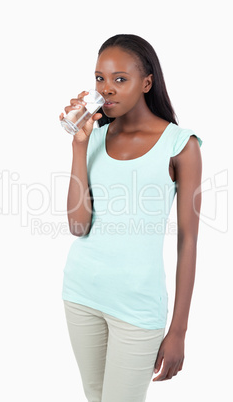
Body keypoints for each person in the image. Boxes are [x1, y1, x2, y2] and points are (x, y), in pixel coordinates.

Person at [59, 34, 202, 402]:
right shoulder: (93, 138)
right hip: (81, 296)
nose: (107, 90)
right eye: (100, 79)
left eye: (120, 79)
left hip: (137, 309)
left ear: (146, 83)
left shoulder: (180, 145)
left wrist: (179, 331)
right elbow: (78, 226)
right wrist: (78, 146)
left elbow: (188, 241)